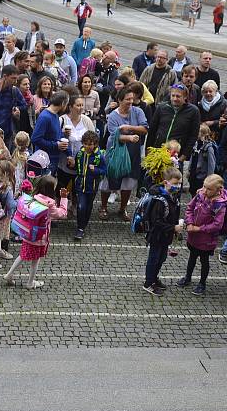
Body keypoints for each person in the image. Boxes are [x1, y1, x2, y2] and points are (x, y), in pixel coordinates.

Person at [3, 175, 68, 289]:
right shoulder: (49, 205)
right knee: (35, 260)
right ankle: (30, 282)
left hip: (27, 234)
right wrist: (64, 198)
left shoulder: (33, 197)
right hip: (39, 238)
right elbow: (62, 213)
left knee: (22, 255)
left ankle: (9, 274)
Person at [100, 85, 148, 220]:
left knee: (129, 180)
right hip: (115, 152)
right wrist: (129, 137)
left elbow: (145, 128)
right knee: (110, 179)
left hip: (132, 152)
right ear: (120, 100)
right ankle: (103, 207)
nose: (131, 102)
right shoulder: (113, 116)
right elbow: (114, 134)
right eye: (127, 99)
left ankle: (123, 208)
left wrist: (129, 127)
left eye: (132, 99)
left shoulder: (138, 112)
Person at [177, 174, 227, 296]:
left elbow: (217, 225)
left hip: (207, 240)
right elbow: (190, 208)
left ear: (218, 189)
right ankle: (188, 277)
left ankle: (202, 283)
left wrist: (199, 228)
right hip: (193, 236)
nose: (204, 191)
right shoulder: (200, 195)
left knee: (204, 261)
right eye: (204, 187)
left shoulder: (220, 205)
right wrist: (189, 222)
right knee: (192, 257)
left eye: (209, 189)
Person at [143, 167, 184, 296]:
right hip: (157, 235)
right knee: (154, 258)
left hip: (166, 236)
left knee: (161, 258)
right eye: (175, 183)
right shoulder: (159, 201)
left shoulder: (174, 198)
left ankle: (154, 278)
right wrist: (173, 228)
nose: (178, 186)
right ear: (166, 183)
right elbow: (156, 221)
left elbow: (174, 216)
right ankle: (148, 283)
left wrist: (176, 228)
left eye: (179, 183)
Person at [73, 130, 106, 240]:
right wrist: (71, 164)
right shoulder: (80, 154)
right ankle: (80, 228)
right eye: (85, 144)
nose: (88, 146)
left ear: (95, 144)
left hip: (92, 187)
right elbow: (76, 168)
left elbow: (104, 170)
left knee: (88, 207)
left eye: (90, 144)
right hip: (80, 186)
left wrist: (95, 170)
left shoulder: (99, 157)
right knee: (81, 206)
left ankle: (84, 224)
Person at [31, 91, 70, 176]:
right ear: (63, 103)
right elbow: (35, 139)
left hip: (53, 159)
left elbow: (55, 135)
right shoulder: (45, 117)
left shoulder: (55, 115)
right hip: (45, 161)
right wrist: (56, 145)